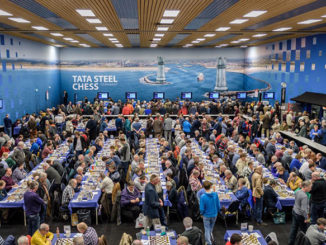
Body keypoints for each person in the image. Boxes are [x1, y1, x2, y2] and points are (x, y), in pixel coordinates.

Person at [288, 180, 312, 245]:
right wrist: (306, 218)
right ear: (305, 187)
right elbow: (303, 209)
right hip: (300, 215)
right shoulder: (304, 196)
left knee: (294, 229)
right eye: (310, 187)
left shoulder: (297, 191)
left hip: (294, 211)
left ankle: (290, 243)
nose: (311, 188)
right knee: (304, 231)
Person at [199, 180, 220, 245]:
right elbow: (218, 205)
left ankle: (208, 242)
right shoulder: (215, 194)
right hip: (214, 214)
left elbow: (202, 208)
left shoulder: (203, 197)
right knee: (211, 228)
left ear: (204, 187)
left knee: (207, 229)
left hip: (206, 215)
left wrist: (201, 214)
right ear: (210, 186)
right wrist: (217, 212)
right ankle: (209, 239)